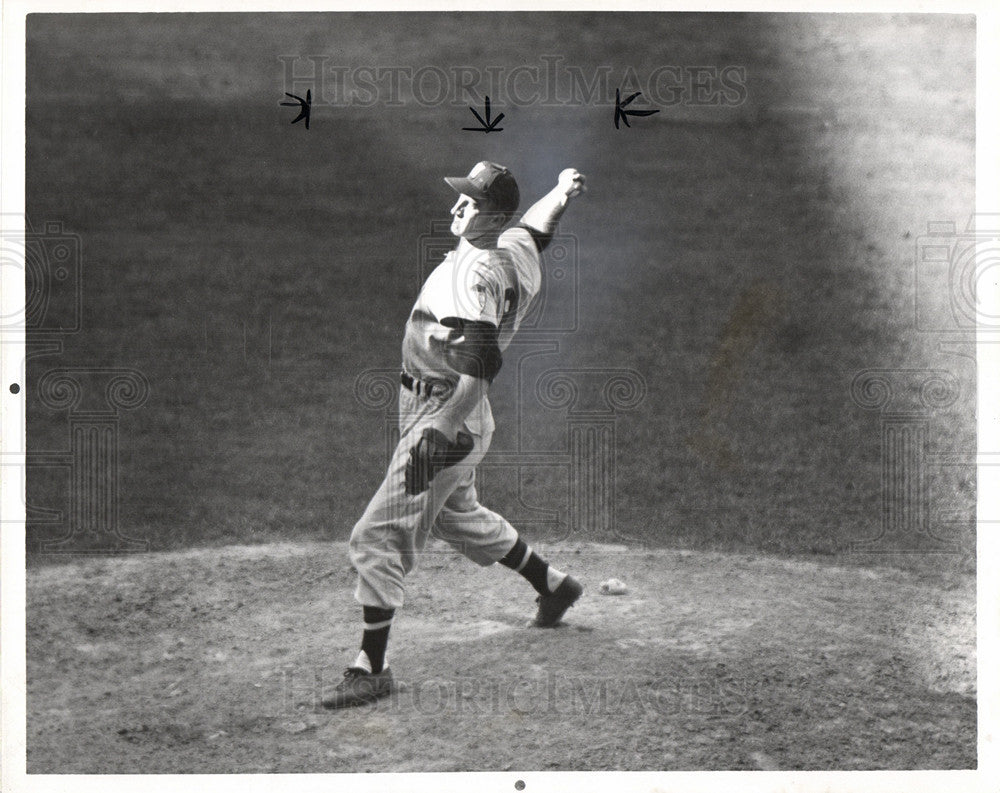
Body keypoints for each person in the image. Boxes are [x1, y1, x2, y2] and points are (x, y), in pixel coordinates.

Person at [323, 161, 587, 710]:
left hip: (446, 418)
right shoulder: (513, 253)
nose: (456, 206)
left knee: (376, 535)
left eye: (468, 201)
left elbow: (483, 361)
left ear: (490, 214)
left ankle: (372, 667)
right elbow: (537, 228)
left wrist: (440, 427)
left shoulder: (475, 278)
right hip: (451, 413)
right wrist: (560, 193)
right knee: (454, 516)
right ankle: (553, 586)